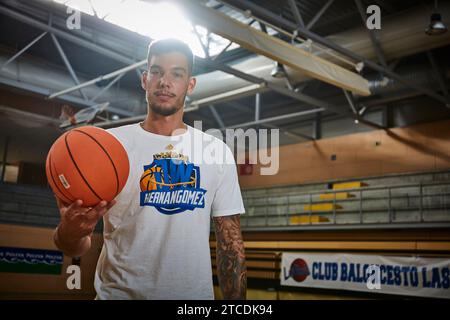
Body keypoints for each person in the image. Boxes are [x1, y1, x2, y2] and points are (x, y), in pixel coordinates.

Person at [53, 38, 247, 300]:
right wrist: (71, 232)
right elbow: (72, 246)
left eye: (176, 74)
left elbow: (231, 245)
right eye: (156, 72)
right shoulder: (108, 147)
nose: (164, 82)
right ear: (145, 79)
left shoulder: (215, 151)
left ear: (190, 85)